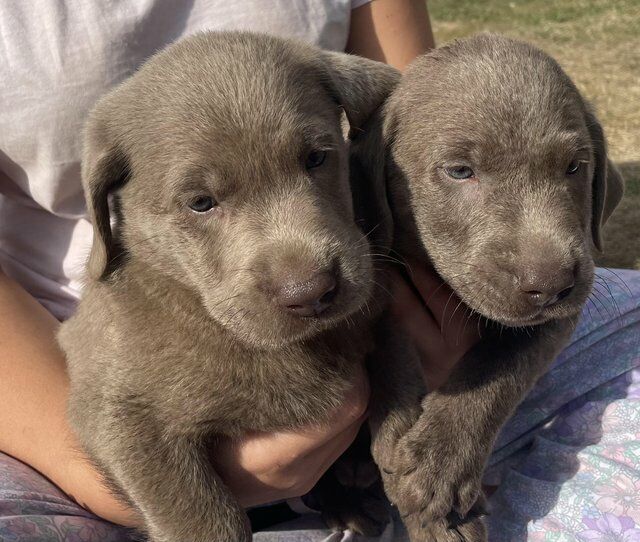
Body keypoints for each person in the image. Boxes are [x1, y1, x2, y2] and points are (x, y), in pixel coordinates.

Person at [0, 2, 638, 541]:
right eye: (202, 200)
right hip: (48, 404)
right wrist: (159, 497)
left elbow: (420, 111)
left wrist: (431, 405)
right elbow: (116, 417)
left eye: (314, 160)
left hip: (396, 314)